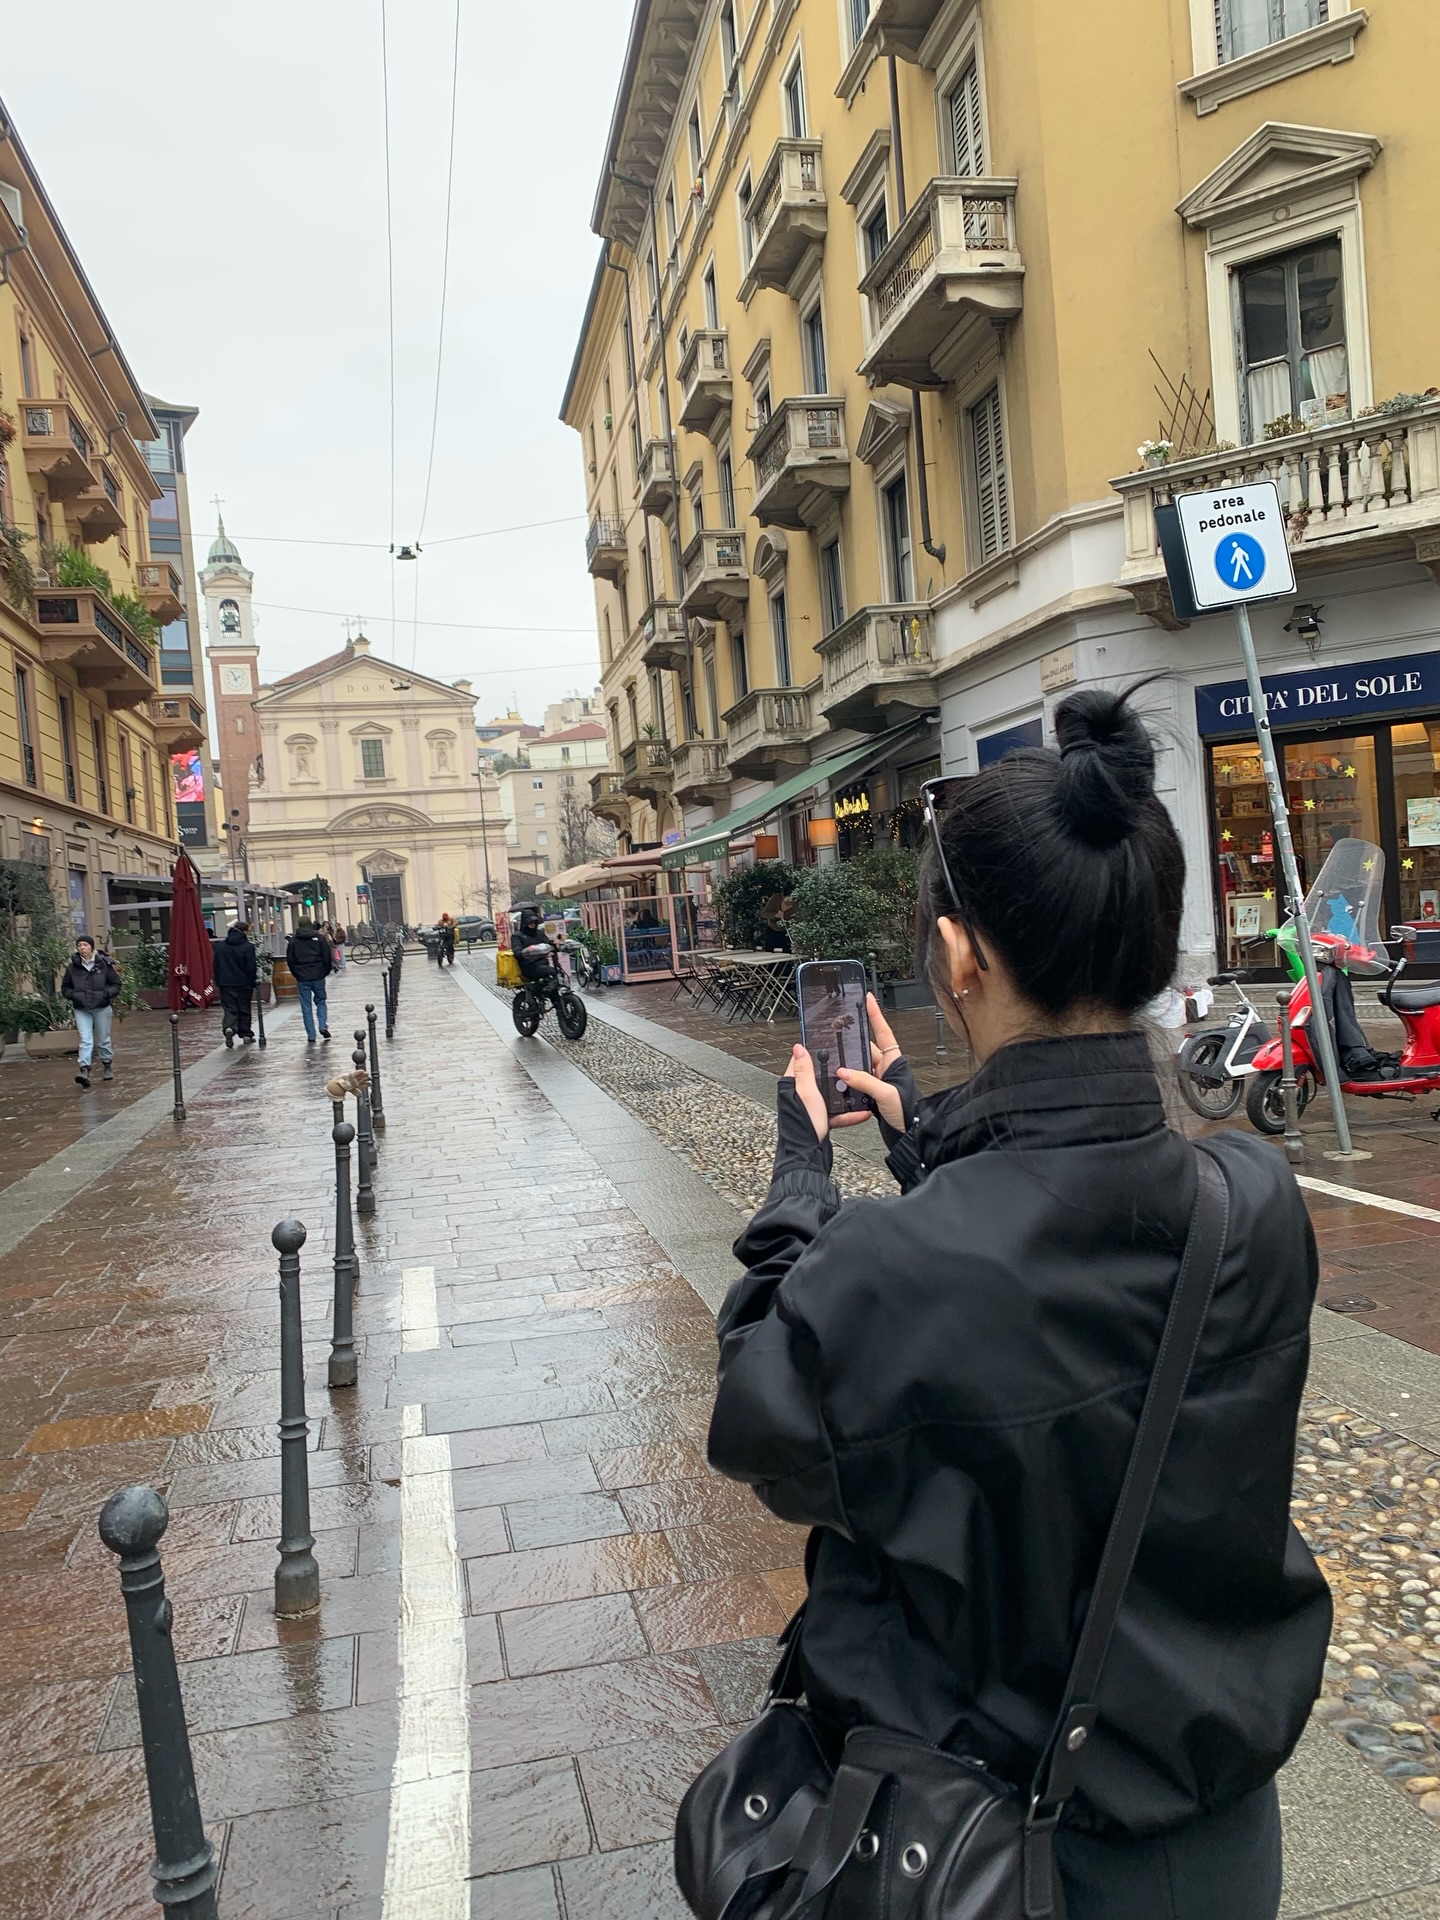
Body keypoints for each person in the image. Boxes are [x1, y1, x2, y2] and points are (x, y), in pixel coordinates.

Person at [705, 688, 1329, 1920]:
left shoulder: (888, 1271)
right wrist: (933, 1137)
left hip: (987, 1855)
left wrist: (800, 1185)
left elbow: (762, 1420)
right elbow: (1058, 1253)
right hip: (1219, 1847)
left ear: (959, 957)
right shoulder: (1253, 1204)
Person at [60, 935, 122, 1089]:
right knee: (86, 1039)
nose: (82, 947)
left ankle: (106, 1064)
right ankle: (84, 1069)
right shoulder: (72, 968)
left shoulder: (104, 964)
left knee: (103, 1039)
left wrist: (106, 994)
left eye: (85, 945)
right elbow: (65, 988)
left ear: (92, 947)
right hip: (82, 1008)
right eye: (79, 945)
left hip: (102, 1007)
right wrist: (74, 995)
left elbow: (116, 984)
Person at [285, 916, 334, 1044]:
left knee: (306, 1006)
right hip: (318, 975)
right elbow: (327, 956)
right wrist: (325, 971)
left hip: (302, 977)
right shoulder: (319, 938)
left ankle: (311, 1034)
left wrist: (296, 973)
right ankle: (323, 1025)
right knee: (321, 1001)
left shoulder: (293, 941)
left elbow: (290, 960)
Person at [211, 921, 259, 1046]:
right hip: (244, 983)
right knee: (244, 1008)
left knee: (229, 1008)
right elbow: (251, 967)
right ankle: (246, 1034)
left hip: (225, 983)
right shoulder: (248, 947)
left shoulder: (220, 946)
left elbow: (216, 965)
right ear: (244, 932)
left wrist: (218, 980)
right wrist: (252, 981)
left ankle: (229, 1028)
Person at [510, 903, 557, 983]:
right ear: (525, 923)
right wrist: (530, 951)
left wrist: (556, 945)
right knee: (552, 972)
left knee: (558, 972)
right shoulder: (517, 936)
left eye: (535, 922)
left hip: (543, 963)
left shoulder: (539, 933)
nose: (533, 925)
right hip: (529, 967)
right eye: (530, 922)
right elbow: (517, 953)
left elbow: (548, 943)